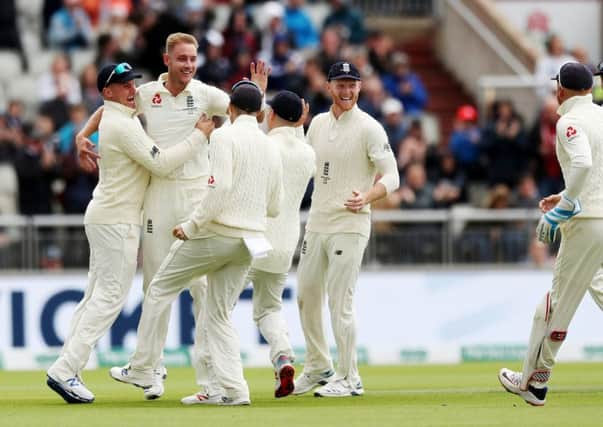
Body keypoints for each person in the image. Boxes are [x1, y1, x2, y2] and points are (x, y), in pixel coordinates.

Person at [76, 32, 270, 400]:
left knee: (202, 292)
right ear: (167, 60)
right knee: (155, 286)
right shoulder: (147, 93)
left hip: (198, 195)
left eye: (193, 58)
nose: (189, 65)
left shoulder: (207, 94)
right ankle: (152, 373)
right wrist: (83, 135)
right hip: (160, 194)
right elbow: (109, 109)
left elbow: (249, 113)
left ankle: (211, 383)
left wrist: (257, 91)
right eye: (181, 58)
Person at [46, 62, 214, 404]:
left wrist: (82, 134)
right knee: (109, 297)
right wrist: (200, 135)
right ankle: (65, 370)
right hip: (117, 220)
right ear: (108, 92)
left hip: (105, 215)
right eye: (124, 85)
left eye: (132, 82)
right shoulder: (123, 125)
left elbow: (98, 113)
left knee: (95, 294)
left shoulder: (113, 116)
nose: (132, 90)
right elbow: (164, 164)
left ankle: (68, 365)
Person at [108, 81, 283, 406]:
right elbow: (276, 205)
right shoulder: (270, 145)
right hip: (251, 240)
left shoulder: (223, 136)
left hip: (217, 234)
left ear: (229, 110)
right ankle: (233, 389)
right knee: (218, 314)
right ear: (260, 112)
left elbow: (218, 189)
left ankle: (143, 368)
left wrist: (192, 225)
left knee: (159, 288)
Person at [499, 62, 603, 406]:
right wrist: (566, 193)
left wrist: (567, 204)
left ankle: (533, 381)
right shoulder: (600, 116)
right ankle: (534, 377)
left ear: (560, 90)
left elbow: (585, 164)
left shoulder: (569, 122)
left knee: (555, 305)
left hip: (587, 222)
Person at [293, 61, 399, 397]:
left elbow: (393, 175)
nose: (347, 90)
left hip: (350, 224)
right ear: (328, 87)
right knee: (306, 296)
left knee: (340, 301)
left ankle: (350, 376)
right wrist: (293, 131)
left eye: (352, 84)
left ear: (360, 87)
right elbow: (304, 166)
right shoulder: (318, 124)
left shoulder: (370, 128)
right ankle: (318, 366)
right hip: (318, 223)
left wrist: (367, 196)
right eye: (341, 84)